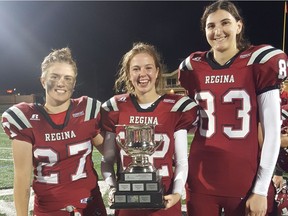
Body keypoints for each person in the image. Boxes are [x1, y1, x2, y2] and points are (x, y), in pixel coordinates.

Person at [178, 1, 287, 215]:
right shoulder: (192, 67)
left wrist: (262, 189)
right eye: (211, 26)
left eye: (225, 23)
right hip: (200, 180)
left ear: (238, 26)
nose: (218, 31)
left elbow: (272, 133)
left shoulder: (259, 62)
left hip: (245, 181)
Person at [1, 48, 107, 216]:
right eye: (54, 77)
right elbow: (22, 180)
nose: (61, 83)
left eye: (67, 78)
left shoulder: (87, 110)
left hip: (90, 205)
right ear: (43, 81)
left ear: (74, 82)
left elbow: (110, 152)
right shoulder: (26, 118)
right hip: (49, 209)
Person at [100, 42, 199, 216]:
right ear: (128, 74)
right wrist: (113, 188)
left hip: (164, 199)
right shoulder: (115, 107)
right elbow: (107, 161)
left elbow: (182, 161)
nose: (142, 74)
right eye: (136, 69)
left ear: (157, 71)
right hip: (127, 201)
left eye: (148, 68)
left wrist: (176, 193)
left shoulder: (175, 107)